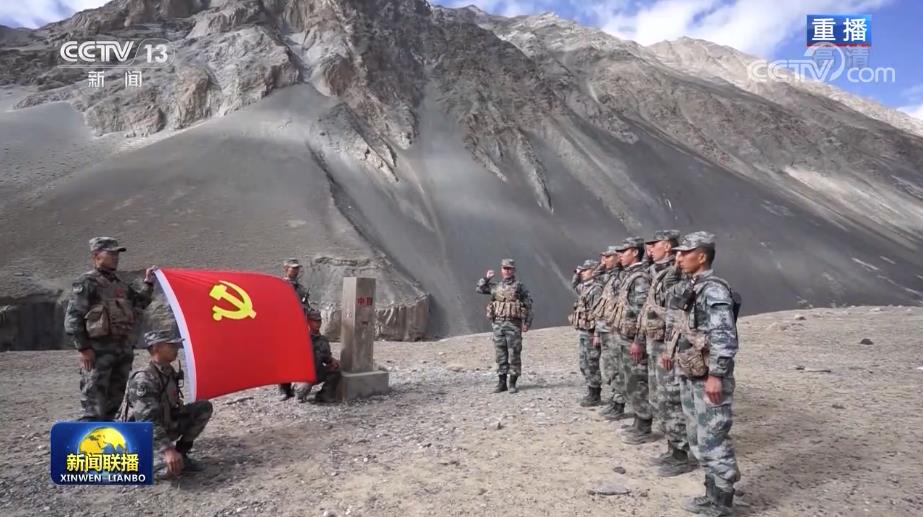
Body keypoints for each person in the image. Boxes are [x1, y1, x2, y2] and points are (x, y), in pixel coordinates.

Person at [669, 231, 741, 516]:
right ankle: (711, 494)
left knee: (713, 438)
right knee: (699, 437)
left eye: (685, 253)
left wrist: (716, 375)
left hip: (708, 377)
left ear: (702, 256)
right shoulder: (693, 286)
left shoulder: (714, 290)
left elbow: (724, 335)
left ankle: (722, 502)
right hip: (692, 372)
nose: (679, 257)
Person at [64, 237, 156, 421]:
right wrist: (84, 348)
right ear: (96, 255)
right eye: (111, 253)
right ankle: (87, 438)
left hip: (122, 352)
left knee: (113, 404)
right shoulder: (87, 282)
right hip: (98, 353)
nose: (115, 257)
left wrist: (149, 283)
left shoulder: (120, 285)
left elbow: (140, 302)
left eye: (117, 254)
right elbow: (73, 317)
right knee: (94, 404)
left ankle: (106, 436)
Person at [638, 230, 696, 476]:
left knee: (672, 398)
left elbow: (678, 313)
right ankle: (673, 447)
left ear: (669, 247)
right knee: (660, 397)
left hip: (668, 346)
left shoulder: (679, 274)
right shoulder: (659, 272)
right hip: (657, 343)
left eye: (655, 245)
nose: (650, 249)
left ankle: (682, 453)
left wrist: (671, 348)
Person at [121, 330, 213, 481]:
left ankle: (181, 454)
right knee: (169, 471)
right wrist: (167, 450)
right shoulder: (144, 379)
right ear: (156, 348)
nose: (176, 348)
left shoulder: (167, 372)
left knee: (203, 408)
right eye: (171, 346)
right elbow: (146, 422)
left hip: (164, 425)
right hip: (142, 437)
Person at [606, 236, 655, 444]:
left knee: (638, 381)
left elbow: (643, 312)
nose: (619, 256)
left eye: (623, 252)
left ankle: (644, 424)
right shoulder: (629, 275)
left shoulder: (640, 278)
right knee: (629, 380)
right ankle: (637, 419)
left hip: (632, 339)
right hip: (623, 336)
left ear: (635, 252)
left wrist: (639, 340)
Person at [476, 258, 533, 394]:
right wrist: (486, 278)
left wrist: (527, 323)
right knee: (500, 354)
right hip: (498, 324)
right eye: (505, 268)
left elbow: (529, 305)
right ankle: (502, 383)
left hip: (513, 325)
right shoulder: (496, 286)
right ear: (501, 270)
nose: (507, 271)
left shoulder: (519, 287)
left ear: (514, 270)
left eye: (509, 269)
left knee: (514, 354)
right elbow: (479, 289)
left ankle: (512, 383)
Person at [594, 246, 629, 420]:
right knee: (609, 367)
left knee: (617, 368)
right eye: (603, 257)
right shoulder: (610, 276)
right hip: (606, 329)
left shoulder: (622, 276)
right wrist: (602, 264)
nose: (604, 260)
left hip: (615, 330)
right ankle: (615, 399)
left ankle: (619, 403)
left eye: (608, 257)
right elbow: (595, 277)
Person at [569, 260, 603, 407]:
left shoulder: (597, 289)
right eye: (582, 271)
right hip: (583, 330)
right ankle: (591, 389)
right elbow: (574, 285)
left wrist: (597, 334)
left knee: (592, 363)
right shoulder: (585, 287)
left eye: (585, 270)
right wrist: (576, 274)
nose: (582, 273)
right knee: (584, 363)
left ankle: (595, 393)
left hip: (591, 332)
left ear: (593, 271)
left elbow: (599, 313)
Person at [279, 258, 312, 401]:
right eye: (293, 268)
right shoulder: (278, 286)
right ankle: (284, 389)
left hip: (298, 328)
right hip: (283, 328)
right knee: (283, 358)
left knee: (296, 357)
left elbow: (307, 307)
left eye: (297, 268)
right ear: (286, 269)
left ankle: (297, 387)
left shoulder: (302, 289)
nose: (296, 271)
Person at [294, 308, 342, 404]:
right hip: (303, 375)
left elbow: (327, 359)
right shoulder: (301, 338)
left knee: (337, 369)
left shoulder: (323, 340)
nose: (317, 323)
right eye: (314, 321)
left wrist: (333, 361)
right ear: (308, 322)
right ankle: (293, 389)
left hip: (317, 372)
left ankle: (324, 395)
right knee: (301, 392)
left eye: (319, 321)